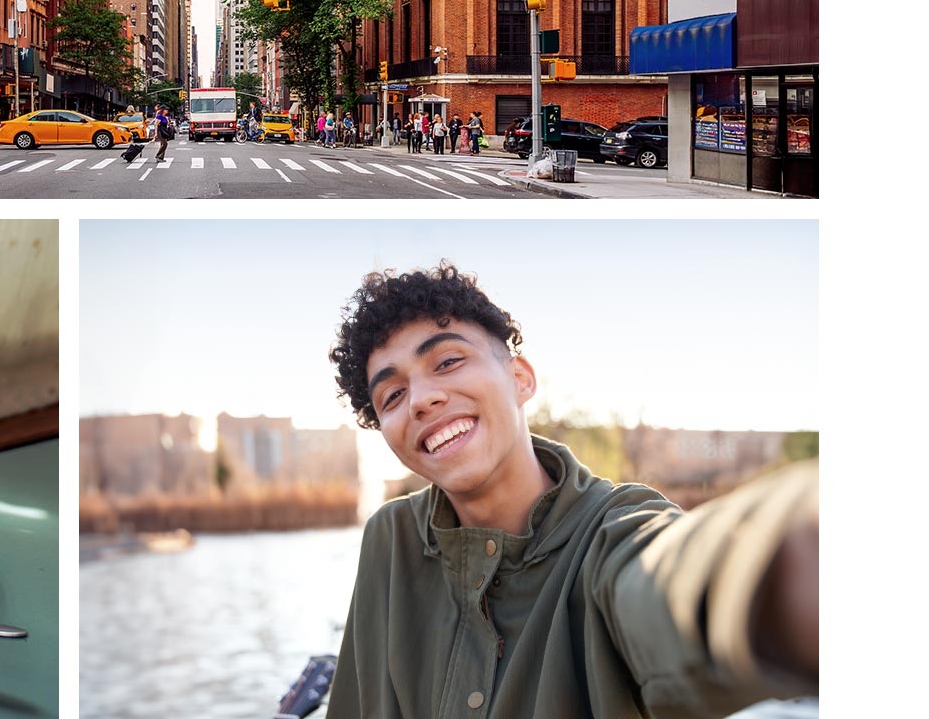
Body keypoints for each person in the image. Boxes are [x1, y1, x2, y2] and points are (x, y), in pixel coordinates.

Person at [324, 262, 818, 719]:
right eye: (392, 396)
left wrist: (782, 562)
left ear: (520, 378)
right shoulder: (389, 540)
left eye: (448, 361)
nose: (422, 399)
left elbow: (673, 580)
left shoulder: (612, 532)